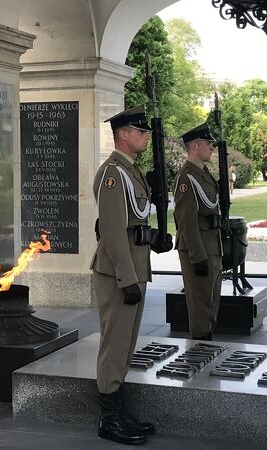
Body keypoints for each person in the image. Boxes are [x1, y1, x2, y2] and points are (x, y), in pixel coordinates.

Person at [91, 106, 162, 445]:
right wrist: (126, 278)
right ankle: (108, 418)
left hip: (133, 268)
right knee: (114, 345)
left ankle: (119, 409)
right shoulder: (113, 174)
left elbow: (136, 223)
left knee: (126, 345)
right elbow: (114, 232)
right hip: (119, 272)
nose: (146, 135)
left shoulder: (131, 172)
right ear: (123, 134)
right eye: (140, 130)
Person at [173, 122, 223, 341]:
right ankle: (199, 351)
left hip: (212, 245)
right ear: (193, 146)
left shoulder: (203, 174)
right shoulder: (186, 178)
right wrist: (198, 255)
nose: (211, 148)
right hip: (199, 249)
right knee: (201, 307)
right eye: (207, 143)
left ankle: (206, 347)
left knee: (211, 304)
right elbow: (186, 221)